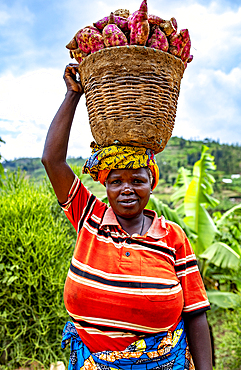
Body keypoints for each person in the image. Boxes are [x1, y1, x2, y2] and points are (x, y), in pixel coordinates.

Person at [41, 64, 213, 370]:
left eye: (137, 180)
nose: (127, 189)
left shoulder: (173, 236)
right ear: (105, 185)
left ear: (151, 183)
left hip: (164, 363)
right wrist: (72, 94)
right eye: (116, 181)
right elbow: (52, 160)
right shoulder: (88, 216)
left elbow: (196, 312)